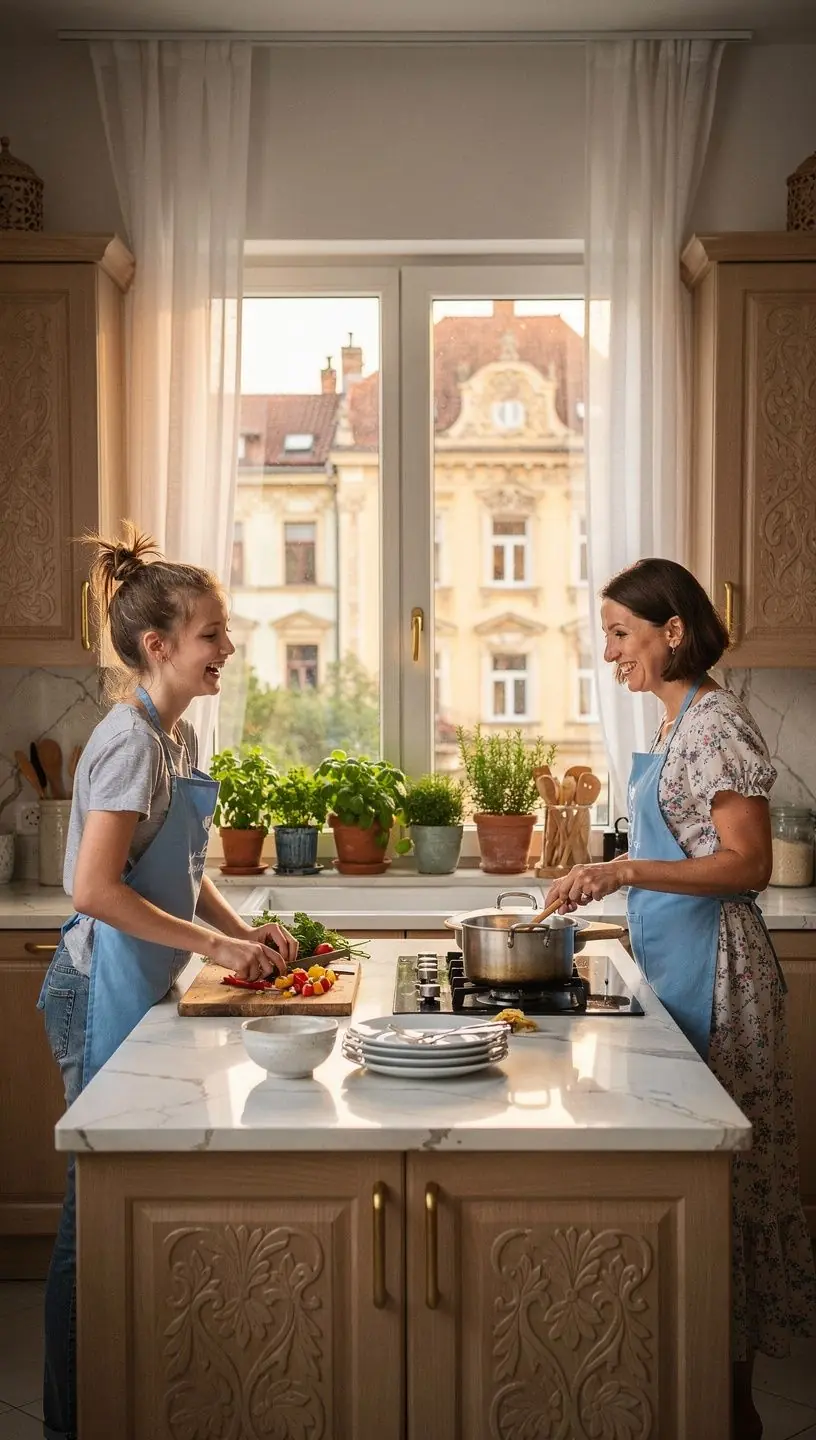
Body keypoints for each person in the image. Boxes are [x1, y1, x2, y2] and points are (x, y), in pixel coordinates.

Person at [545, 557, 816, 1440]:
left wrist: (623, 871)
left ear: (673, 631)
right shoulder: (676, 723)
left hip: (722, 976)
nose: (610, 652)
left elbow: (748, 863)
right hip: (680, 964)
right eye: (607, 634)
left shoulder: (716, 724)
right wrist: (614, 886)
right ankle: (700, 1384)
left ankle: (734, 1409)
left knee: (726, 1184)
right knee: (697, 1180)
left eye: (621, 633)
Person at [37, 525, 298, 1440]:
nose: (228, 646)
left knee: (130, 1197)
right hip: (97, 987)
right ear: (159, 645)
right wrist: (219, 951)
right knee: (93, 1214)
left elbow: (179, 866)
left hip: (143, 983)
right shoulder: (129, 743)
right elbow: (94, 890)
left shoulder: (173, 737)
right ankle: (70, 1422)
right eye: (212, 634)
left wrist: (241, 931)